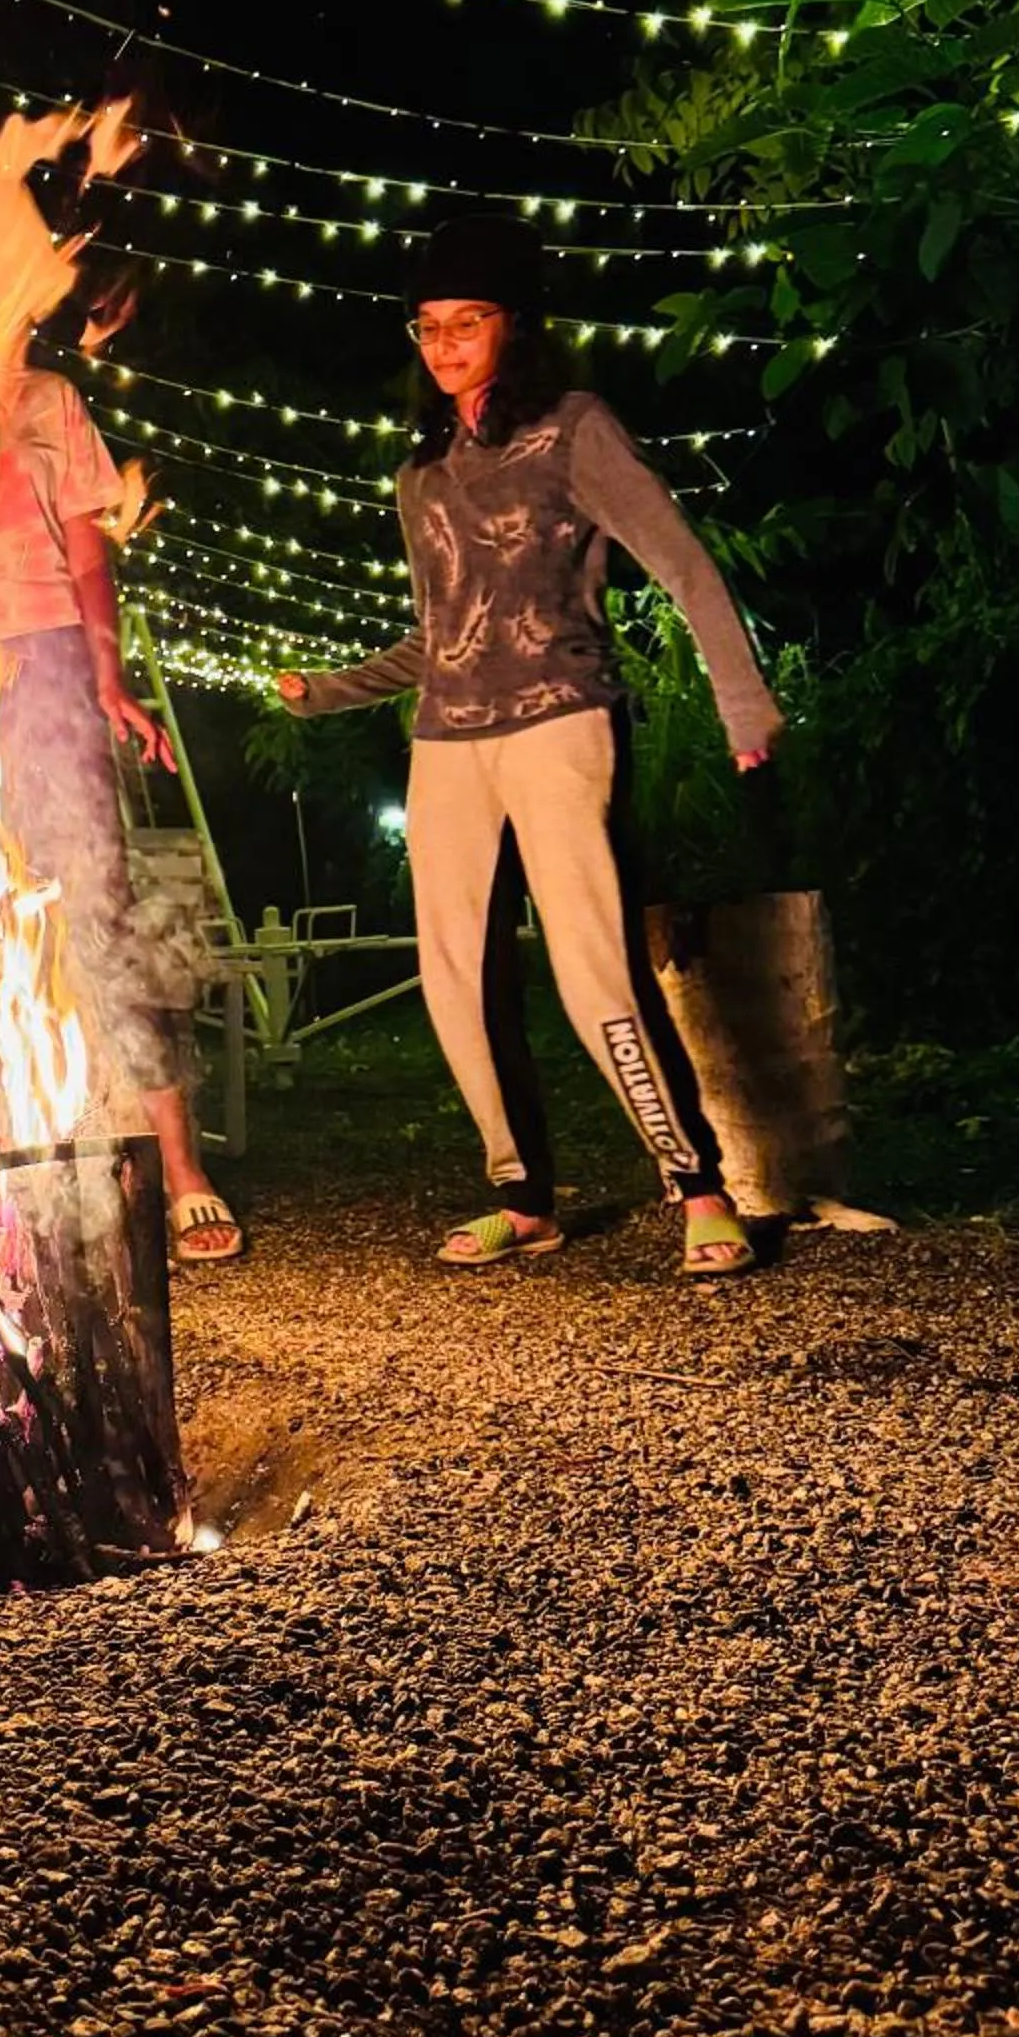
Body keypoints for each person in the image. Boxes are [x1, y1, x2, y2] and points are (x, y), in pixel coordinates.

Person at [277, 216, 781, 1276]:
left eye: (469, 322)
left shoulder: (572, 429)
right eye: (429, 327)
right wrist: (326, 692)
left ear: (514, 325)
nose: (447, 343)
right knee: (450, 972)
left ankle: (695, 1184)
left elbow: (684, 564)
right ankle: (522, 1191)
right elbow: (440, 633)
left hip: (560, 717)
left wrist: (744, 707)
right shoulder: (423, 472)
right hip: (448, 738)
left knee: (591, 961)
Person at [0, 362, 243, 1266]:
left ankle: (180, 1167)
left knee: (101, 912)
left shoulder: (45, 399)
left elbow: (88, 550)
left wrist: (106, 678)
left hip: (48, 658)